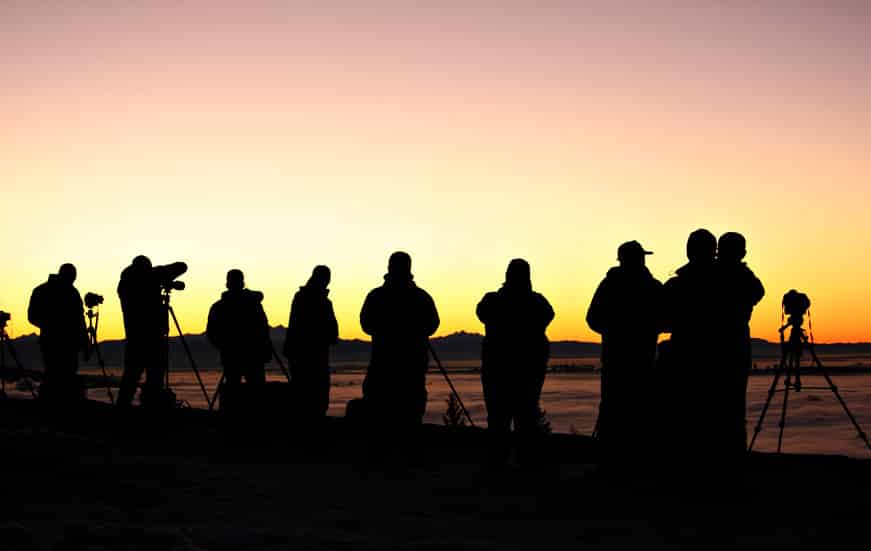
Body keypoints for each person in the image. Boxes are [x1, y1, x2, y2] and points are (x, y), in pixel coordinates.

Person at [586, 241, 663, 458]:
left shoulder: (609, 285)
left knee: (613, 410)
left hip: (615, 359)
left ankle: (611, 461)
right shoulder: (652, 287)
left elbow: (592, 319)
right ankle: (637, 461)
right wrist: (647, 328)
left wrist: (613, 331)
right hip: (642, 359)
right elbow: (667, 320)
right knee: (640, 411)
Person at [477, 258, 554, 467]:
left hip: (498, 370)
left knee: (498, 416)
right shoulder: (538, 303)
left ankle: (498, 460)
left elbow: (481, 312)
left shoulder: (492, 301)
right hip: (527, 371)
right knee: (526, 415)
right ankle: (525, 461)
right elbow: (549, 315)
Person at [359, 251, 439, 427]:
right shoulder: (421, 297)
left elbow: (366, 324)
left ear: (389, 267)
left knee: (381, 417)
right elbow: (433, 325)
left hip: (384, 365)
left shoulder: (377, 296)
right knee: (410, 417)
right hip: (410, 366)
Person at [661, 229, 719, 456]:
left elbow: (661, 321)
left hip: (683, 356)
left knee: (682, 414)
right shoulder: (727, 282)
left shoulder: (675, 285)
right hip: (717, 356)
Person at [116, 255, 187, 408]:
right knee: (155, 376)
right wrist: (159, 276)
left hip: (134, 338)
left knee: (131, 376)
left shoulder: (124, 284)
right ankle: (152, 408)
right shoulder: (151, 277)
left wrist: (159, 279)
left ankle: (122, 409)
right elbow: (182, 266)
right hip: (153, 337)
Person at [716, 232, 764, 453]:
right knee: (734, 409)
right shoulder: (742, 277)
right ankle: (735, 454)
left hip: (710, 350)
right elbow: (757, 292)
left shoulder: (709, 272)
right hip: (734, 347)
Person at [207, 269, 272, 408]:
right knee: (254, 391)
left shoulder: (219, 306)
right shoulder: (253, 304)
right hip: (250, 354)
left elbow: (212, 333)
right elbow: (263, 328)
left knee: (235, 389)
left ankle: (232, 417)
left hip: (237, 355)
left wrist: (225, 346)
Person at [27, 263, 89, 403]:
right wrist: (53, 325)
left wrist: (84, 342)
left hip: (68, 344)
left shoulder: (72, 292)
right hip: (52, 342)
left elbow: (80, 319)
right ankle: (50, 406)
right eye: (72, 277)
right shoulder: (43, 291)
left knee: (66, 376)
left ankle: (61, 406)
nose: (72, 280)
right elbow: (32, 316)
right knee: (53, 375)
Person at [283, 265, 339, 419]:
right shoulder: (318, 301)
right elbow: (330, 330)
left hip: (302, 353)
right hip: (310, 355)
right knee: (312, 393)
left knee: (306, 393)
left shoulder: (303, 298)